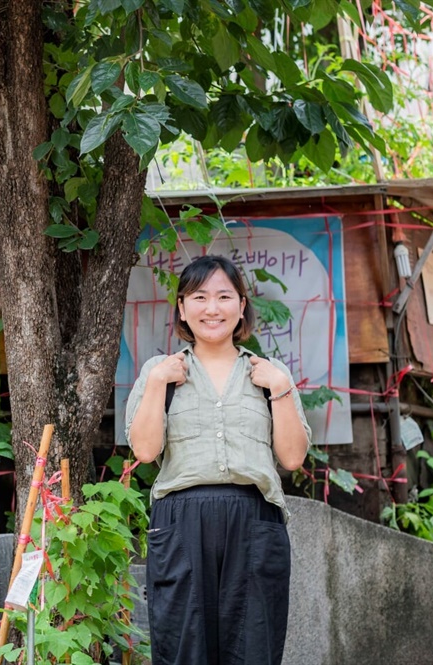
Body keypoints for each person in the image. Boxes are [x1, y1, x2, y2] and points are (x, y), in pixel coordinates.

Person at [125, 254, 311, 665]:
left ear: (242, 306)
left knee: (253, 646)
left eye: (225, 296)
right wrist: (157, 384)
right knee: (182, 646)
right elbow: (144, 450)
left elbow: (293, 457)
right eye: (200, 297)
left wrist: (280, 388)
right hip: (180, 522)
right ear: (182, 308)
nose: (213, 308)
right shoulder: (160, 371)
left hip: (255, 519)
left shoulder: (269, 373)